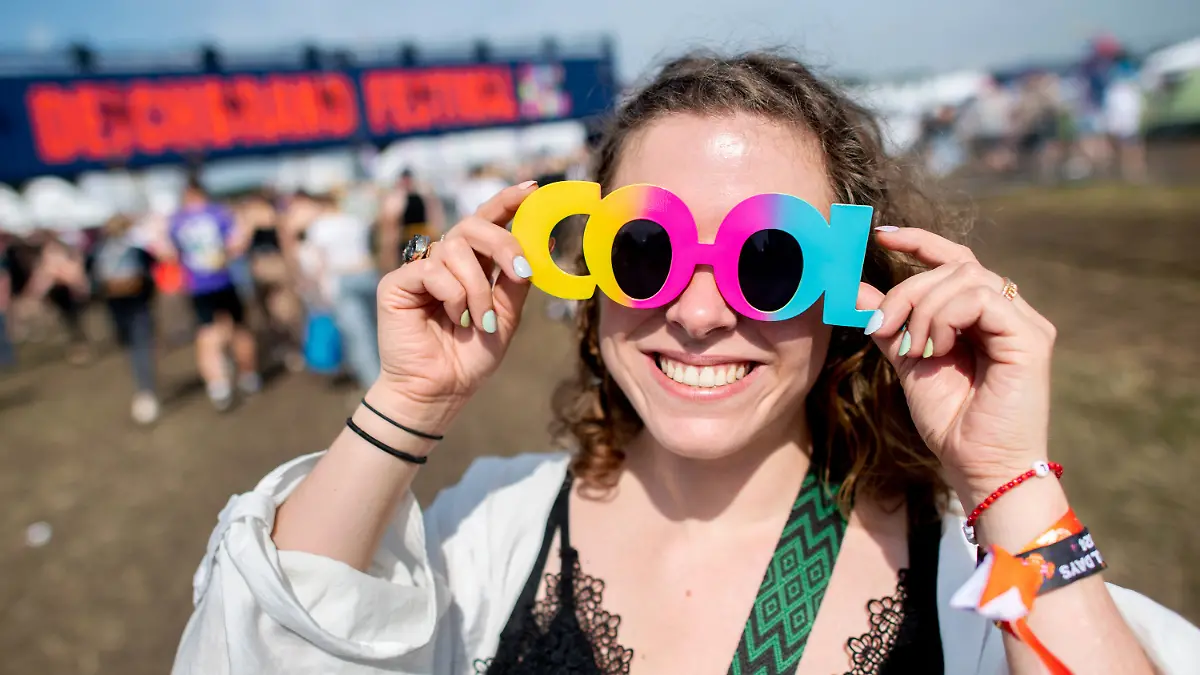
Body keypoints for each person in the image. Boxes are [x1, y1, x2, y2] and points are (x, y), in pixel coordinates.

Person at [172, 52, 1198, 674]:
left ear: (854, 285)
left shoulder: (979, 587)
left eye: (770, 259)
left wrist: (1009, 481)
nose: (700, 313)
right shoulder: (490, 531)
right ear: (592, 269)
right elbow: (262, 645)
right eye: (648, 252)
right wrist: (405, 402)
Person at [165, 176, 260, 411]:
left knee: (207, 335)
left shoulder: (176, 221)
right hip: (224, 280)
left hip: (198, 286)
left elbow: (167, 253)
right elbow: (238, 243)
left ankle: (218, 387)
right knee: (239, 328)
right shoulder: (220, 213)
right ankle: (249, 376)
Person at [304, 191, 382, 389]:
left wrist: (322, 291)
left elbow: (318, 264)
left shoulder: (319, 227)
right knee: (376, 327)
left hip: (341, 279)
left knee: (358, 333)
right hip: (368, 274)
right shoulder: (355, 220)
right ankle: (386, 373)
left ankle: (375, 383)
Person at [93, 214, 160, 424]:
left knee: (133, 348)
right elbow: (151, 273)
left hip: (118, 308)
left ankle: (144, 391)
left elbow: (94, 283)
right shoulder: (134, 250)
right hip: (137, 306)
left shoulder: (99, 251)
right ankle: (145, 391)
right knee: (140, 348)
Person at [378, 169, 446, 271]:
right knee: (408, 268)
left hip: (419, 236)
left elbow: (434, 218)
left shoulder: (422, 196)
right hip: (406, 238)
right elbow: (390, 222)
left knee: (418, 268)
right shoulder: (398, 198)